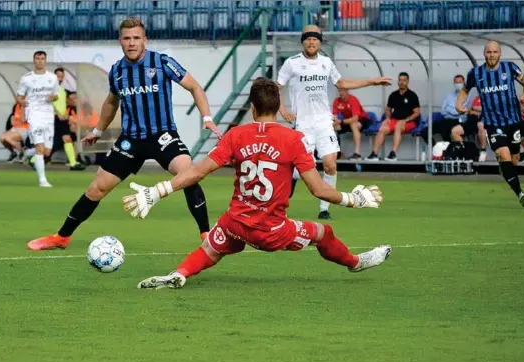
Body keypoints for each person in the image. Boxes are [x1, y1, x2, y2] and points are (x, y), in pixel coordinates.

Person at [121, 78, 392, 290]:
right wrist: (353, 199)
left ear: (252, 108)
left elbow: (198, 172)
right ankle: (356, 263)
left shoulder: (235, 135)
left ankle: (178, 274)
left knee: (211, 250)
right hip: (271, 230)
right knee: (324, 233)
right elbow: (319, 190)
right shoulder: (294, 139)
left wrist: (159, 190)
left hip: (235, 222)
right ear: (277, 107)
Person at [27, 18, 219, 251]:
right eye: (127, 38)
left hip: (162, 136)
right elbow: (111, 102)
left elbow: (195, 87)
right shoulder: (117, 71)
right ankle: (62, 237)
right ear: (121, 41)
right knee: (97, 188)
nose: (132, 43)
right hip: (131, 140)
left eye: (136, 38)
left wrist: (207, 118)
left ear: (144, 40)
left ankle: (206, 235)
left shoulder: (162, 62)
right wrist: (98, 130)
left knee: (189, 174)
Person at [277, 24, 391, 220]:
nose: (311, 42)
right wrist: (283, 110)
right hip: (302, 124)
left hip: (323, 122)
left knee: (330, 164)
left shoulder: (326, 62)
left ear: (320, 42)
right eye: (308, 38)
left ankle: (324, 209)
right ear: (303, 41)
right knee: (304, 169)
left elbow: (342, 83)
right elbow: (276, 87)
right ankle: (289, 185)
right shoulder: (291, 63)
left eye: (315, 39)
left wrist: (372, 81)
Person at [457, 40, 524, 208]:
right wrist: (459, 104)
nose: (491, 55)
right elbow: (465, 90)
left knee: (513, 161)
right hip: (492, 123)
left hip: (513, 122)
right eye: (488, 52)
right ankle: (520, 193)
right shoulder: (476, 73)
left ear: (500, 53)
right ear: (484, 54)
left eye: (494, 52)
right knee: (504, 156)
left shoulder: (510, 68)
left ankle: (504, 169)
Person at [16, 50, 59, 187]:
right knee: (40, 147)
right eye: (37, 58)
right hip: (34, 115)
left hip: (48, 115)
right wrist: (23, 106)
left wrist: (54, 97)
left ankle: (28, 152)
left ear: (45, 60)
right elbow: (19, 97)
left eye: (42, 58)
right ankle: (42, 180)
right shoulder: (26, 78)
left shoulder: (52, 78)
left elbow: (56, 94)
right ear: (34, 60)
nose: (40, 61)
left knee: (47, 151)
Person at [366, 72, 420, 161]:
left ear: (407, 82)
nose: (401, 82)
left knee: (398, 125)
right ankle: (374, 154)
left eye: (404, 80)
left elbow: (416, 113)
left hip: (410, 122)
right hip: (395, 119)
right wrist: (387, 118)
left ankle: (393, 154)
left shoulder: (412, 95)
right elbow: (388, 109)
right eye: (400, 80)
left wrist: (405, 120)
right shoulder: (393, 95)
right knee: (382, 128)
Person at [332, 88, 371, 160]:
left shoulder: (353, 100)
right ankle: (337, 153)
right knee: (333, 128)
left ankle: (357, 154)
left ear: (347, 91)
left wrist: (340, 121)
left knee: (353, 124)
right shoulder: (336, 101)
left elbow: (355, 119)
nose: (341, 93)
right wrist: (335, 122)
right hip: (348, 121)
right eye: (340, 91)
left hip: (363, 120)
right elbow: (335, 117)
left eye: (343, 90)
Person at [451, 94, 488, 162]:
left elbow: (486, 110)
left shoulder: (491, 98)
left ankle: (483, 151)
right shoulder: (477, 98)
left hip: (483, 121)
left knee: (481, 125)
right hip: (470, 122)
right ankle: (463, 151)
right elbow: (470, 109)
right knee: (455, 131)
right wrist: (471, 110)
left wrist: (474, 110)